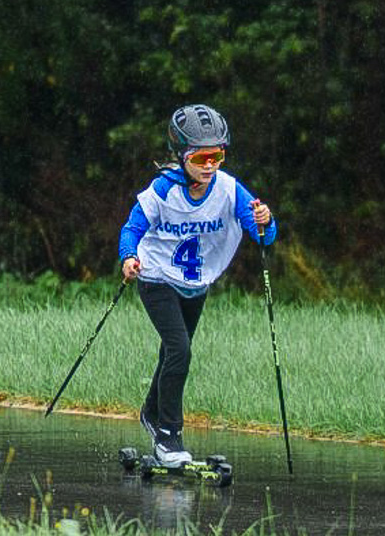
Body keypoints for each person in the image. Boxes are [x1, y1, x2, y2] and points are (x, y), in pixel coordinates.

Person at [118, 104, 277, 467]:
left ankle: (150, 411)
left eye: (217, 156)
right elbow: (132, 229)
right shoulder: (163, 190)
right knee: (180, 349)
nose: (209, 165)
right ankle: (168, 437)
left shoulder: (227, 188)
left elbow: (262, 234)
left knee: (173, 352)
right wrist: (128, 257)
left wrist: (265, 221)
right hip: (156, 278)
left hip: (195, 284)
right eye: (201, 157)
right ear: (182, 156)